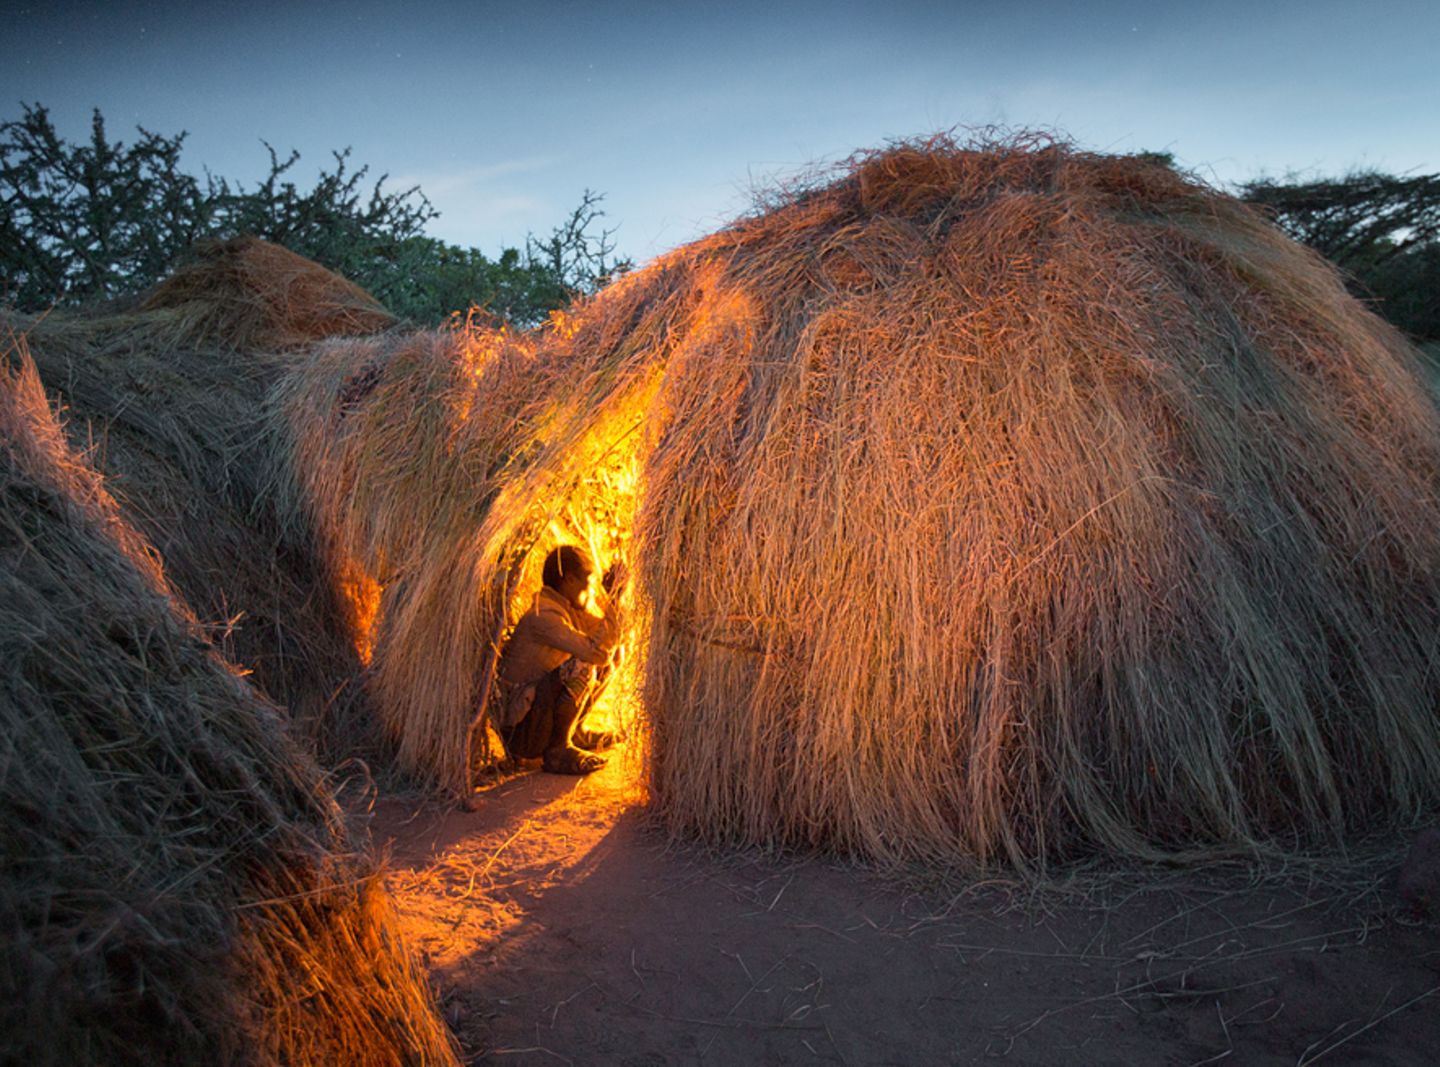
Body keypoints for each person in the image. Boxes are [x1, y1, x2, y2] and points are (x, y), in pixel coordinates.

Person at [493, 544, 623, 775]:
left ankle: (574, 731)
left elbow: (610, 639)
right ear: (570, 580)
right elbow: (594, 653)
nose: (590, 587)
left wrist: (614, 596)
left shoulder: (564, 609)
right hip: (522, 732)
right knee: (582, 666)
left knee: (613, 656)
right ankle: (557, 749)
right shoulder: (544, 615)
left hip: (537, 715)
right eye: (588, 579)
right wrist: (612, 603)